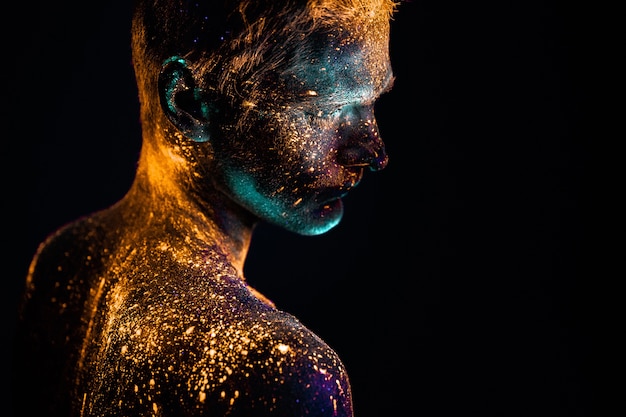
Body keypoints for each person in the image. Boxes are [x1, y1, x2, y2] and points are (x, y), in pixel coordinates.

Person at [12, 0, 399, 415]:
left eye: (372, 101)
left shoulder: (62, 262)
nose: (375, 153)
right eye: (323, 110)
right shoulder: (281, 372)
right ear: (190, 102)